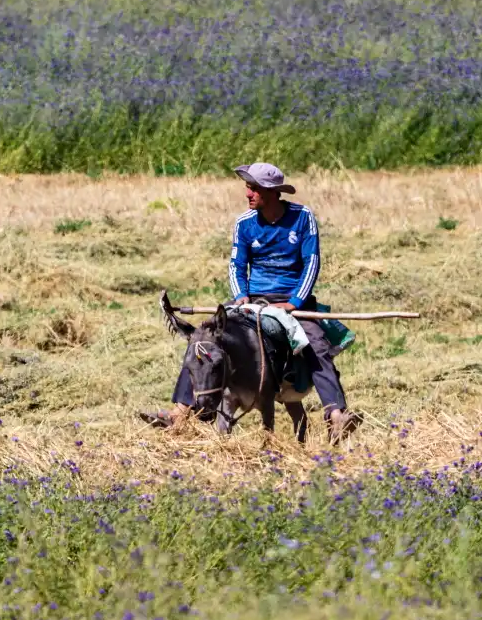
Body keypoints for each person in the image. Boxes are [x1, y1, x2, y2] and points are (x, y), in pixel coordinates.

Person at [144, 162, 361, 443]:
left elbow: (312, 262)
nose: (248, 193)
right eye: (248, 187)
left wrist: (295, 302)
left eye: (253, 188)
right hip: (251, 300)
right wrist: (240, 295)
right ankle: (180, 412)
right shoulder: (245, 223)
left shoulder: (302, 217)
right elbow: (237, 264)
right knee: (203, 340)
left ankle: (336, 415)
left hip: (292, 301)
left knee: (317, 346)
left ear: (271, 192)